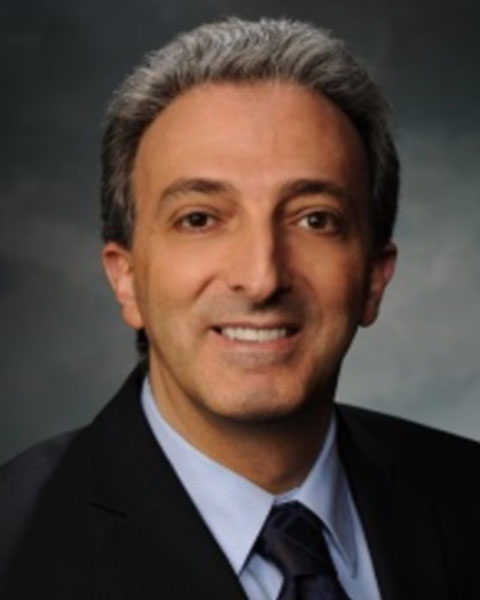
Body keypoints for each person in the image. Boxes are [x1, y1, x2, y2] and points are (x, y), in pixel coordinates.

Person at [0, 17, 479, 600]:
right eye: (199, 219)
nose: (261, 278)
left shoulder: (465, 496)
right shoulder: (15, 541)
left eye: (315, 219)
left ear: (375, 278)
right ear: (126, 279)